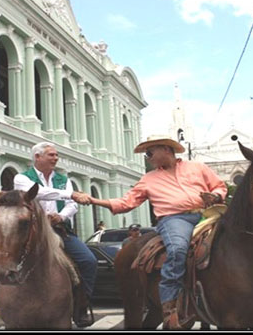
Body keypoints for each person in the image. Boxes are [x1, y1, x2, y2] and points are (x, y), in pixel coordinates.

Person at [86, 135, 228, 329]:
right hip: (175, 219)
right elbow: (126, 203)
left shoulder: (197, 167)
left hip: (208, 214)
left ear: (166, 150)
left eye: (150, 152)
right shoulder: (148, 179)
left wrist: (216, 195)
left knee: (243, 239)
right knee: (177, 249)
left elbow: (219, 186)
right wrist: (94, 201)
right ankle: (170, 309)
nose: (147, 156)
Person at [0, 142, 95, 328]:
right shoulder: (22, 178)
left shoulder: (64, 179)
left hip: (58, 230)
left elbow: (73, 206)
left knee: (88, 260)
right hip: (30, 229)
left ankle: (82, 304)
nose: (55, 158)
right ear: (37, 157)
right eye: (51, 155)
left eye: (56, 155)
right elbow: (40, 193)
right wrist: (71, 195)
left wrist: (61, 215)